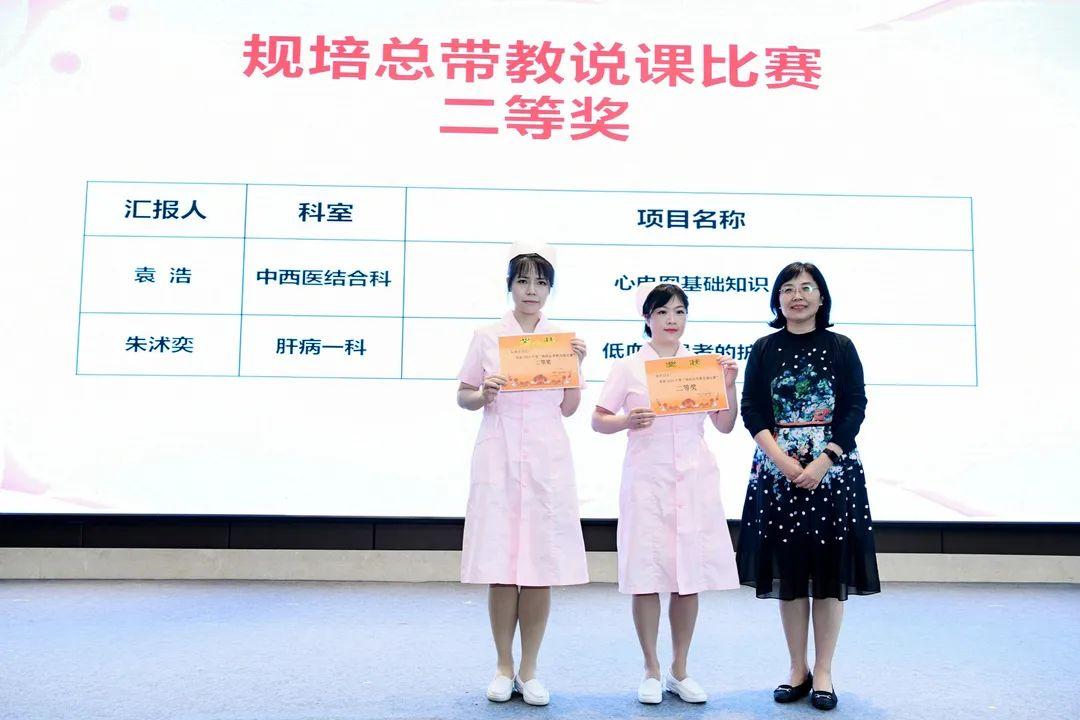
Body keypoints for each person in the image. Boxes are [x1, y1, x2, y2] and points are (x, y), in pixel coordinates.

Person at [736, 262, 880, 712]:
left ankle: (824, 671)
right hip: (777, 472)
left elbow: (855, 406)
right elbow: (752, 408)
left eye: (806, 288)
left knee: (830, 574)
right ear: (777, 300)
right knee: (791, 572)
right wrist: (781, 460)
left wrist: (824, 460)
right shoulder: (764, 348)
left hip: (832, 471)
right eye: (787, 289)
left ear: (821, 298)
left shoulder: (841, 346)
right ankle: (796, 668)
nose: (797, 296)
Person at [592, 282, 740, 705]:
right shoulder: (629, 367)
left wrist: (729, 385)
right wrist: (626, 421)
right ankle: (651, 669)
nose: (671, 320)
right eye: (662, 312)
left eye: (679, 312)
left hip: (693, 478)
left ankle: (680, 669)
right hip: (647, 479)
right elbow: (598, 419)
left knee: (687, 578)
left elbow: (725, 424)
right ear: (647, 318)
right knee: (646, 574)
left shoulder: (701, 366)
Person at [455, 241, 588, 707]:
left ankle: (529, 669)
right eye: (523, 280)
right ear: (510, 286)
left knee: (539, 566)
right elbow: (463, 394)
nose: (532, 290)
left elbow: (569, 408)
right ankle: (502, 666)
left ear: (550, 289)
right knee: (500, 566)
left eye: (541, 282)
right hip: (500, 454)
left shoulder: (561, 341)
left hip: (547, 459)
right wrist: (484, 394)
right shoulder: (487, 336)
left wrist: (576, 366)